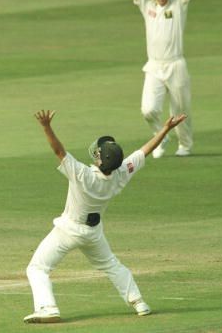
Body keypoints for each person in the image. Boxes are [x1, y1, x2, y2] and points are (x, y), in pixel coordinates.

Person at [23, 109, 187, 323]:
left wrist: (46, 126)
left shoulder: (82, 174)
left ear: (101, 160)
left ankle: (47, 308)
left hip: (68, 230)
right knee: (111, 265)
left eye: (99, 154)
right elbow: (145, 150)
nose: (97, 154)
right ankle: (139, 302)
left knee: (37, 268)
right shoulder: (121, 173)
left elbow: (58, 151)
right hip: (93, 233)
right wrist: (165, 129)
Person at [118, 0, 193, 158]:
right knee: (148, 109)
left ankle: (186, 146)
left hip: (176, 64)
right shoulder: (147, 5)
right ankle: (161, 137)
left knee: (181, 110)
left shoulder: (179, 4)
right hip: (154, 66)